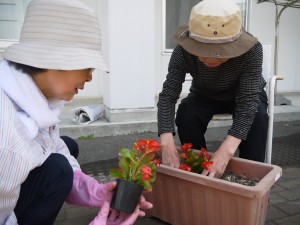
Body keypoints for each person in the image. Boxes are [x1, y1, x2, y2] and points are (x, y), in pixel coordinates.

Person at [0, 0, 152, 224]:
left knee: (64, 152)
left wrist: (98, 192)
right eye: (88, 67)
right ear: (56, 61)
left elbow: (56, 148)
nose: (90, 77)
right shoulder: (8, 136)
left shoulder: (37, 99)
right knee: (57, 168)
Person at [157, 0, 269, 178]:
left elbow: (248, 101)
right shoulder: (183, 51)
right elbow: (168, 94)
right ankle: (198, 169)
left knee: (257, 117)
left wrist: (227, 149)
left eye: (220, 50)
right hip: (205, 93)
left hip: (243, 93)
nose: (212, 57)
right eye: (204, 49)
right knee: (187, 114)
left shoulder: (252, 50)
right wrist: (166, 138)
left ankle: (251, 176)